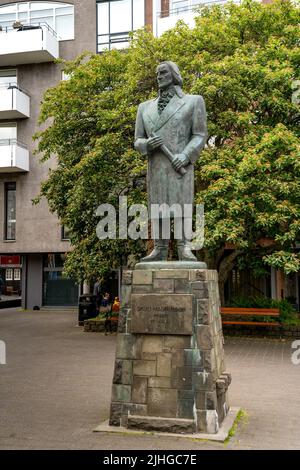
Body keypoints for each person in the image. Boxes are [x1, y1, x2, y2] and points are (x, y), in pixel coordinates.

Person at [134, 61, 207, 261]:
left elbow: (200, 134)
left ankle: (184, 246)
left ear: (174, 75)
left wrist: (185, 155)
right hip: (156, 166)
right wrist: (147, 144)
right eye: (157, 73)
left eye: (163, 72)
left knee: (182, 204)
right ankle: (160, 248)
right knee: (159, 206)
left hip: (179, 165)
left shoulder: (193, 101)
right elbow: (137, 141)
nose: (159, 76)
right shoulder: (144, 108)